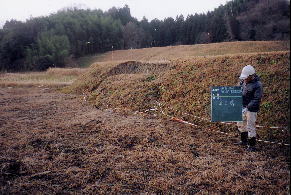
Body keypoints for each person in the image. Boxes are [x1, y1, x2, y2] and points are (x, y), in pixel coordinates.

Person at [236, 65, 263, 152]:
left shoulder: (258, 85)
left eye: (246, 78)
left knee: (250, 126)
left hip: (251, 109)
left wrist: (247, 107)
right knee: (240, 123)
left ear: (251, 76)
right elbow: (238, 90)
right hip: (242, 106)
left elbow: (257, 99)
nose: (244, 79)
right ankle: (243, 141)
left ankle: (252, 145)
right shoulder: (243, 82)